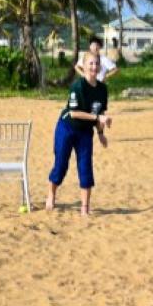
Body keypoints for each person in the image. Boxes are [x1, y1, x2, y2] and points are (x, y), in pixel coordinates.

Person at [46, 51, 111, 216]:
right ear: (83, 66)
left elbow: (100, 111)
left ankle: (85, 207)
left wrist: (101, 133)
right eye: (91, 64)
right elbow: (75, 113)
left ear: (100, 67)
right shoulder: (78, 86)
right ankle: (51, 194)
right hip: (67, 127)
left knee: (85, 167)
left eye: (96, 64)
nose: (94, 67)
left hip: (85, 132)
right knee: (61, 165)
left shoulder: (102, 89)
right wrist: (98, 117)